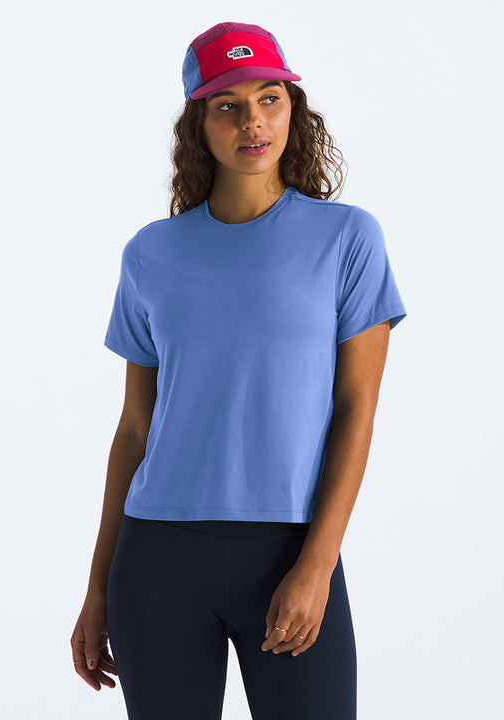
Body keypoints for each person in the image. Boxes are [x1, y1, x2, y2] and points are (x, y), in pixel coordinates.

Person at [70, 20, 407, 720]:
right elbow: (134, 429)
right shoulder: (150, 253)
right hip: (157, 555)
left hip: (290, 549)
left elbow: (357, 410)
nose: (252, 121)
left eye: (269, 99)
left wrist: (317, 565)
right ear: (198, 124)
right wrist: (97, 587)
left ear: (292, 109)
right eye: (227, 105)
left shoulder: (348, 239)